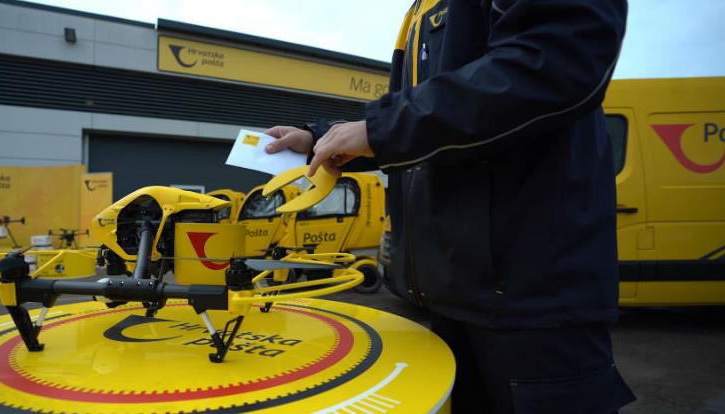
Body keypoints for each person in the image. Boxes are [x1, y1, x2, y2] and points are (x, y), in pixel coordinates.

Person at [265, 0, 636, 412]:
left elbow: (554, 61)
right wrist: (324, 139)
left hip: (529, 299)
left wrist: (382, 128)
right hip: (455, 292)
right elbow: (436, 117)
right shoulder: (420, 10)